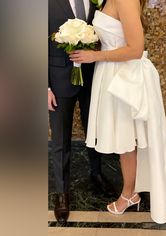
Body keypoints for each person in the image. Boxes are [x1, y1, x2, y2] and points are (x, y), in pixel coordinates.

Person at [69, 0, 166, 224]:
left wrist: (95, 56)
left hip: (123, 78)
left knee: (126, 140)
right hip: (111, 74)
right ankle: (132, 191)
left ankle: (129, 195)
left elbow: (136, 49)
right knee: (124, 140)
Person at [48, 0, 114, 223]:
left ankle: (96, 174)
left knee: (94, 130)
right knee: (60, 140)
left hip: (91, 78)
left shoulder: (98, 2)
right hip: (57, 82)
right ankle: (62, 193)